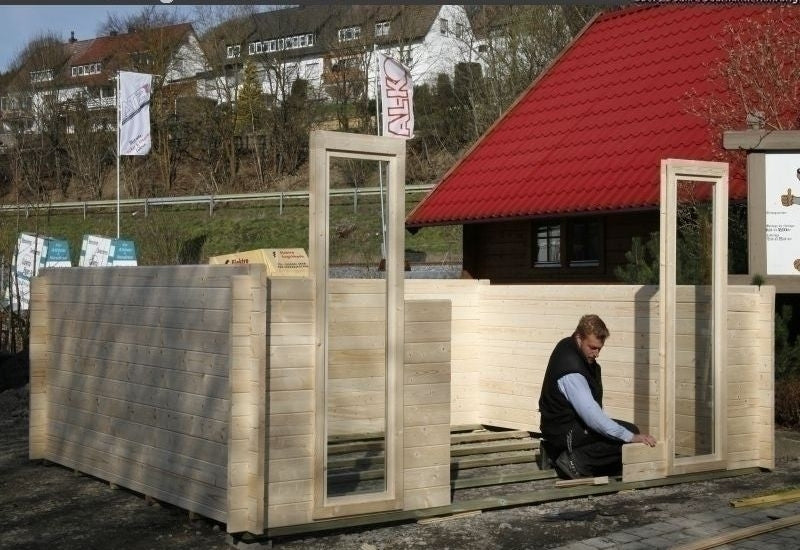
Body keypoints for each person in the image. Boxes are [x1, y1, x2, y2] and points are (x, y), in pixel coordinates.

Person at [538, 314, 656, 479]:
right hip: (563, 431)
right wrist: (631, 437)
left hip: (562, 426)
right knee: (625, 438)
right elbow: (593, 417)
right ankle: (574, 462)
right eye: (592, 347)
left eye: (599, 348)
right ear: (579, 338)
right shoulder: (572, 370)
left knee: (627, 432)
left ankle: (553, 452)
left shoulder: (569, 345)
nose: (596, 353)